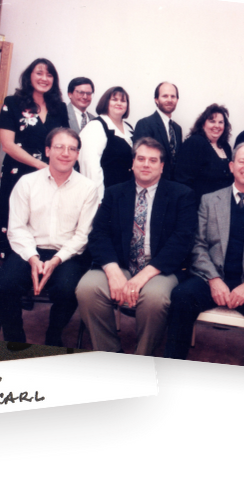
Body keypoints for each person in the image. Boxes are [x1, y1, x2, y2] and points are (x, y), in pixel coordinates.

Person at [165, 142, 244, 363]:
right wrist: (213, 279)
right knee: (182, 296)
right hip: (210, 278)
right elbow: (198, 245)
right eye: (242, 161)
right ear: (232, 166)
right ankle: (172, 369)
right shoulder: (210, 200)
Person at [72, 137, 197, 356]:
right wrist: (113, 273)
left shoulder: (181, 195)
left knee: (155, 299)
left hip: (160, 268)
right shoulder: (114, 193)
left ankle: (142, 356)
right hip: (120, 264)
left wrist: (141, 277)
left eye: (152, 160)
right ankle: (109, 353)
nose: (146, 164)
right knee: (87, 289)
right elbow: (98, 234)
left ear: (162, 166)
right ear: (132, 162)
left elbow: (182, 242)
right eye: (141, 158)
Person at [0, 126, 101, 349]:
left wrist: (57, 260)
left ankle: (54, 334)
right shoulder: (27, 183)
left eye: (72, 149)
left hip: (69, 253)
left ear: (78, 154)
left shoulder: (88, 188)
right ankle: (15, 338)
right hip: (29, 249)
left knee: (67, 291)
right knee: (1, 290)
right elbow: (17, 228)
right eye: (59, 147)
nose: (65, 153)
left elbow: (83, 235)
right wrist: (33, 258)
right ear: (48, 150)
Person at [0, 58, 65, 266]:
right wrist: (41, 165)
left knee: (43, 221)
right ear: (29, 76)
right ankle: (9, 272)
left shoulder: (59, 107)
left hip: (51, 175)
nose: (44, 78)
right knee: (13, 219)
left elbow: (65, 139)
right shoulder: (12, 102)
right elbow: (7, 144)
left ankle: (40, 269)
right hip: (19, 171)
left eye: (49, 74)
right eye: (39, 73)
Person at [168, 105, 240, 197]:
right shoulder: (194, 143)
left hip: (222, 206)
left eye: (221, 122)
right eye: (212, 121)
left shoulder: (226, 146)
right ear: (203, 124)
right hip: (200, 206)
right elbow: (183, 180)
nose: (217, 126)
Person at [79, 86, 139, 191]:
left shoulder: (129, 128)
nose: (119, 103)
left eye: (123, 101)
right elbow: (90, 166)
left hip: (126, 191)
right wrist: (98, 198)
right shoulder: (96, 126)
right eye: (114, 99)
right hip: (106, 194)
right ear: (106, 102)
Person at [132, 82, 187, 158]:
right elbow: (141, 158)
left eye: (173, 96)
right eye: (165, 96)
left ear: (177, 100)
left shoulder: (177, 129)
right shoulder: (144, 124)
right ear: (156, 100)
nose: (169, 100)